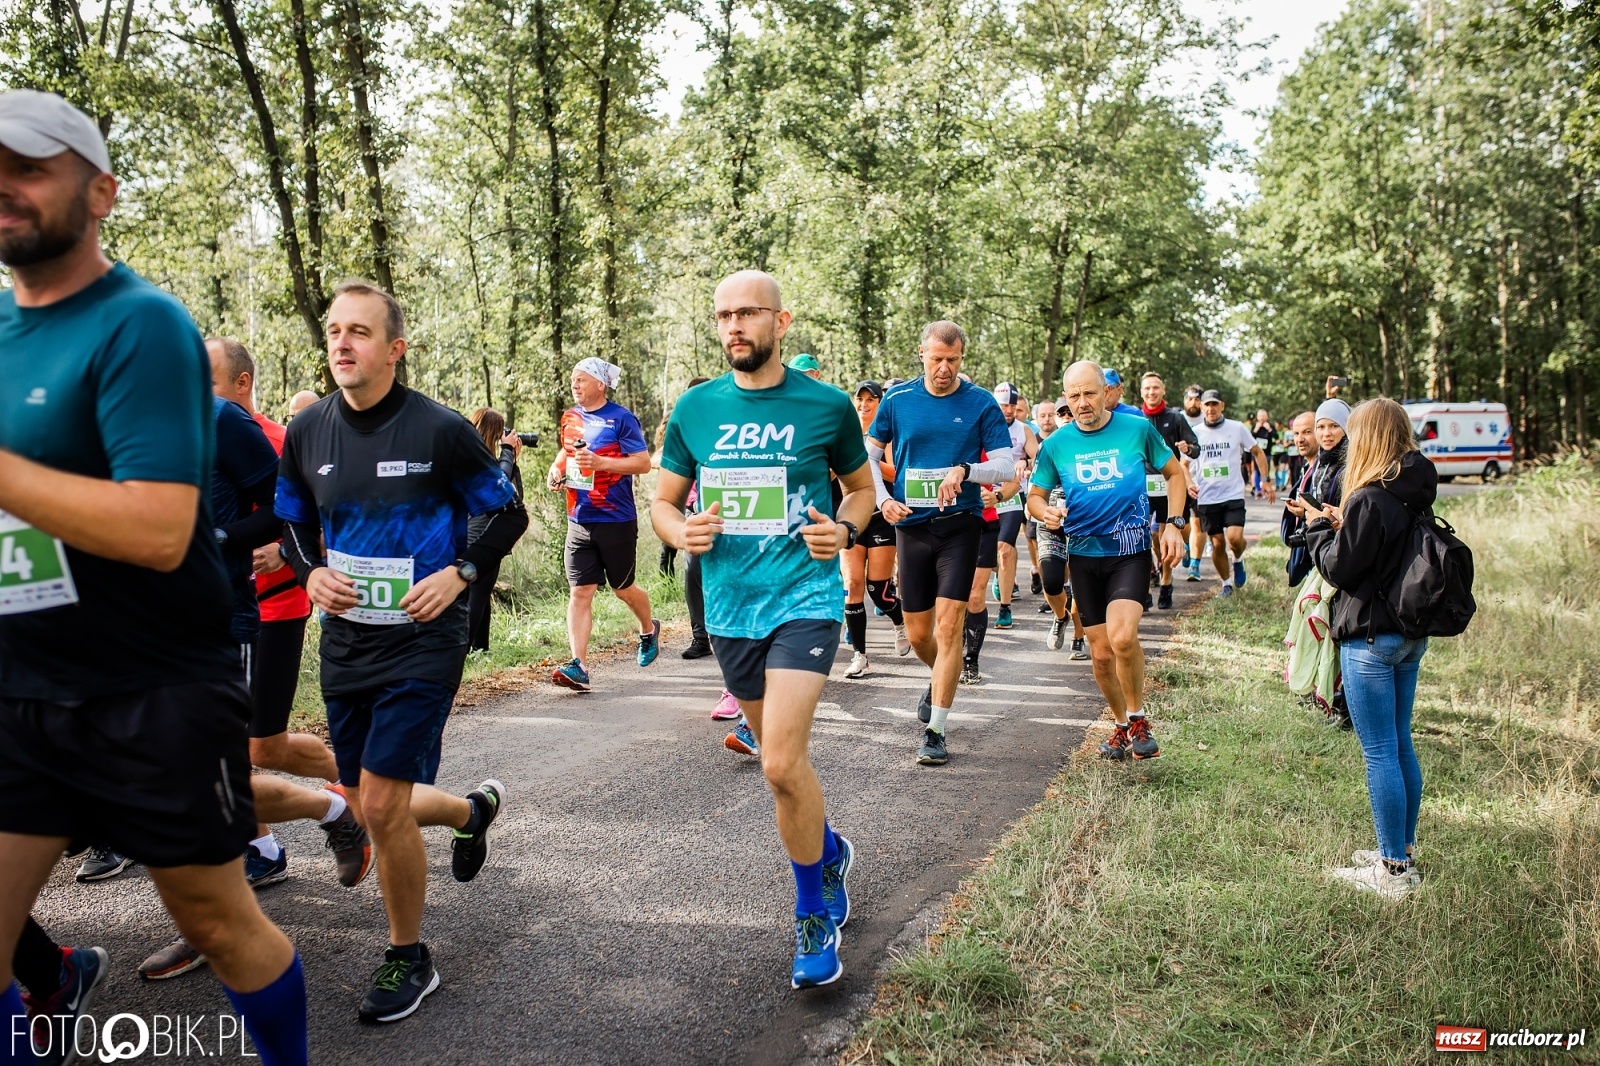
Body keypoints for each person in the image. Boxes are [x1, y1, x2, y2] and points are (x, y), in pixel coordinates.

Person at [0, 89, 308, 1065]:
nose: (4, 187)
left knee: (219, 924)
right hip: (20, 687)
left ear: (101, 192)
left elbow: (161, 526)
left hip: (153, 689)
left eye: (29, 167)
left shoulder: (140, 325)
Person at [276, 278, 522, 1022]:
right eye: (333, 332)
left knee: (380, 802)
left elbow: (505, 512)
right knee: (365, 799)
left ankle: (408, 956)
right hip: (348, 641)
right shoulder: (308, 431)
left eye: (358, 332)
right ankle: (469, 812)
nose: (342, 343)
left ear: (394, 348)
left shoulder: (439, 430)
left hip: (424, 637)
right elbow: (290, 526)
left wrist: (462, 572)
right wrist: (311, 572)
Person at [651, 269, 875, 989]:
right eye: (723, 316)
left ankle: (811, 912)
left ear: (782, 322)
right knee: (784, 769)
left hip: (804, 599)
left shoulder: (827, 405)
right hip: (730, 609)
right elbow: (663, 500)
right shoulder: (695, 407)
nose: (733, 327)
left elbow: (862, 491)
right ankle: (830, 850)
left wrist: (842, 531)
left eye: (748, 313)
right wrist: (680, 529)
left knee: (778, 761)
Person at [136, 337, 376, 984]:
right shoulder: (118, 429)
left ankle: (224, 910)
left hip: (234, 617)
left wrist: (241, 547)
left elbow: (288, 509)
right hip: (151, 628)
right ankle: (300, 830)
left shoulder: (228, 421)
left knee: (228, 762)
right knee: (228, 759)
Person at [1303, 397, 1436, 899]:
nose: (1350, 440)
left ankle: (1393, 872)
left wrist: (1319, 529)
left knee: (1379, 751)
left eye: (1355, 432)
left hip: (1372, 638)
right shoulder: (1414, 487)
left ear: (1370, 437)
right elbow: (1384, 545)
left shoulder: (1368, 497)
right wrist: (1345, 524)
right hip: (1409, 634)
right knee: (1400, 743)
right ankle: (1401, 848)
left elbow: (1339, 568)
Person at [867, 322, 1013, 766]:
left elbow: (1005, 465)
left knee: (949, 627)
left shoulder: (981, 403)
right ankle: (939, 677)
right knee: (918, 633)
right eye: (936, 359)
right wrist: (883, 498)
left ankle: (936, 732)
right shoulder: (898, 400)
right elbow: (867, 456)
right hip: (911, 525)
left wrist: (965, 470)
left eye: (952, 360)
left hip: (960, 525)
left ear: (961, 358)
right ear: (922, 354)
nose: (944, 369)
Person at [1029, 361, 1187, 761]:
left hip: (1129, 552)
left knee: (1121, 637)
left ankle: (1139, 718)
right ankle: (1120, 725)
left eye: (1090, 393)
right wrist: (1043, 511)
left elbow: (1175, 474)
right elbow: (1034, 496)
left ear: (1107, 392)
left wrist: (1174, 524)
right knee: (1099, 653)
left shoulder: (1136, 429)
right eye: (1074, 395)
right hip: (1083, 556)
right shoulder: (1056, 444)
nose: (1083, 403)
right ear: (1066, 398)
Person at [545, 358, 660, 691]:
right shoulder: (570, 417)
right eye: (572, 380)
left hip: (616, 518)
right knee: (581, 591)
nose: (575, 385)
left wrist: (600, 462)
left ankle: (648, 627)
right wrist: (556, 470)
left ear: (600, 384)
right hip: (578, 518)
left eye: (581, 379)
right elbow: (564, 453)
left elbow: (642, 464)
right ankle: (578, 665)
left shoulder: (622, 419)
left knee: (622, 588)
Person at [841, 380, 910, 679]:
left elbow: (896, 473)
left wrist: (867, 457)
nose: (865, 404)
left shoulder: (888, 436)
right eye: (861, 400)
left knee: (877, 591)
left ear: (881, 403)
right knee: (854, 585)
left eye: (872, 399)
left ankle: (900, 622)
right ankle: (860, 657)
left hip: (882, 514)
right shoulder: (843, 435)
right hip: (851, 517)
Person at [1190, 389, 1274, 596]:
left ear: (1222, 406)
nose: (1210, 409)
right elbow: (1184, 463)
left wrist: (1265, 480)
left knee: (1235, 538)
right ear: (1202, 407)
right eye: (1206, 405)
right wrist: (1188, 483)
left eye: (1214, 404)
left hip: (1233, 493)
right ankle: (1226, 583)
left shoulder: (1237, 428)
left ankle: (1238, 559)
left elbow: (1257, 451)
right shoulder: (1195, 433)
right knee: (1217, 543)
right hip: (1207, 496)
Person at [465, 407, 530, 652]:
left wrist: (511, 459)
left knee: (482, 593)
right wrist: (506, 453)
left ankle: (480, 648)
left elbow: (514, 496)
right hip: (483, 536)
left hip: (475, 535)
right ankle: (464, 649)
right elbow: (498, 490)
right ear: (493, 434)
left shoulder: (470, 456)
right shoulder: (480, 462)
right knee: (477, 596)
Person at [1138, 373, 1199, 610]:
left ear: (1163, 391)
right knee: (1146, 536)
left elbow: (1196, 449)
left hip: (1168, 484)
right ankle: (1148, 575)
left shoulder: (1175, 418)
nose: (1152, 392)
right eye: (1147, 389)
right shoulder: (1136, 418)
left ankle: (1166, 582)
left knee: (1164, 535)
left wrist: (1188, 448)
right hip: (1142, 485)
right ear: (1142, 392)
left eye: (1156, 388)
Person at [988, 383, 1039, 630]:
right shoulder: (983, 425)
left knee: (1005, 549)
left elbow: (1037, 455)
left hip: (1011, 495)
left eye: (1012, 405)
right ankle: (999, 575)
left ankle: (1005, 608)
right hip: (985, 495)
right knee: (991, 551)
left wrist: (1026, 462)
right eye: (1003, 405)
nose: (1008, 410)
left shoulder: (1023, 429)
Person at [1280, 410, 1319, 585]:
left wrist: (1306, 514)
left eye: (1307, 432)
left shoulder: (1326, 470)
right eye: (1296, 433)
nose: (1300, 439)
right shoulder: (1306, 467)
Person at [1027, 400, 1059, 602]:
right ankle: (1038, 571)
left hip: (1067, 509)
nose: (1047, 419)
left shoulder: (1063, 439)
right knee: (1032, 539)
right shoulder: (1035, 440)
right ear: (1036, 418)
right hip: (1037, 500)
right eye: (1043, 415)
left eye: (1051, 414)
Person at [1180, 385, 1207, 579]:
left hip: (1200, 481)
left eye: (1197, 400)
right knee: (1182, 524)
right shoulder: (1177, 418)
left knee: (1198, 522)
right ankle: (1187, 545)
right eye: (1190, 399)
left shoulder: (1208, 420)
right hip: (1177, 479)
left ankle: (1195, 566)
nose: (1193, 403)